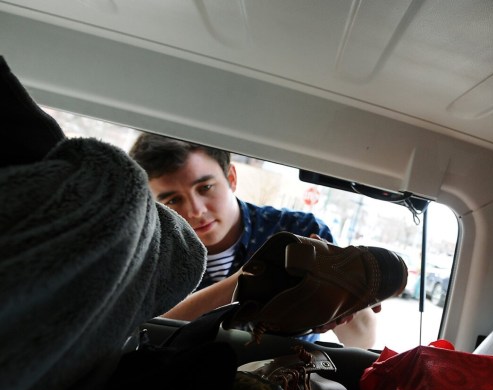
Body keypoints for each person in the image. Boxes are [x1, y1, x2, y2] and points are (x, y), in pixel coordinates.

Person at [129, 133, 378, 348]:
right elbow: (142, 334)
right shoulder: (147, 253)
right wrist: (251, 278)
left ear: (232, 177)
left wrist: (341, 287)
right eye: (173, 200)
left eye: (205, 188)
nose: (196, 210)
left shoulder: (300, 231)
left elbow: (362, 342)